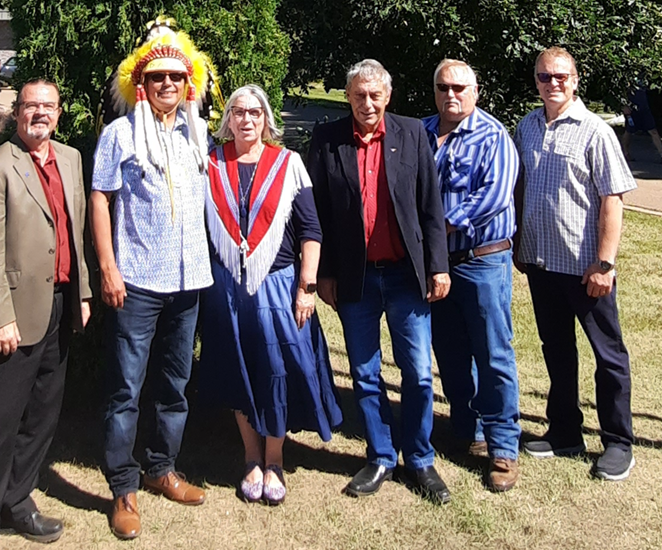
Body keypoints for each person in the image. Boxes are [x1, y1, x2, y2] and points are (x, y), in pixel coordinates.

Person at [0, 79, 92, 550]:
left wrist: (80, 292)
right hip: (14, 314)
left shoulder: (71, 158)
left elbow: (71, 230)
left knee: (42, 415)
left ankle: (18, 499)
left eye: (48, 106)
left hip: (58, 306)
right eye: (31, 106)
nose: (40, 114)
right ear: (17, 113)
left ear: (59, 113)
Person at [90, 27, 215, 540]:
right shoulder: (121, 133)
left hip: (189, 282)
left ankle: (162, 468)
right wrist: (107, 266)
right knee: (126, 388)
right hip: (137, 281)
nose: (167, 83)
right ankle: (123, 487)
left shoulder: (198, 134)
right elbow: (101, 197)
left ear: (189, 85)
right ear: (141, 83)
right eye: (157, 76)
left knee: (175, 384)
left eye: (176, 77)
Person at [307, 59, 452, 504]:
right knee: (366, 373)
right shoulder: (328, 140)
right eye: (358, 95)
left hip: (406, 276)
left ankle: (421, 459)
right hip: (357, 278)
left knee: (418, 374)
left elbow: (430, 206)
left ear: (387, 96)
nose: (366, 104)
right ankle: (380, 455)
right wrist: (324, 272)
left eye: (374, 95)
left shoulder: (412, 134)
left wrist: (438, 265)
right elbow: (317, 215)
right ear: (347, 96)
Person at [198, 85, 342, 505]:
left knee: (278, 369)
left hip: (278, 283)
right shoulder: (210, 165)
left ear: (266, 120)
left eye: (255, 113)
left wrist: (307, 286)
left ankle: (275, 459)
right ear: (227, 119)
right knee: (238, 368)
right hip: (227, 286)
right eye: (238, 112)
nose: (246, 120)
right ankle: (250, 457)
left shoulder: (289, 164)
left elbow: (311, 232)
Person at [514, 47, 637, 481]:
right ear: (536, 81)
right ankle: (565, 430)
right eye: (545, 77)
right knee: (557, 351)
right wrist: (518, 245)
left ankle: (618, 442)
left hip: (586, 268)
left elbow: (612, 200)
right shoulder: (526, 126)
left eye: (561, 76)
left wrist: (605, 263)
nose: (553, 84)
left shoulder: (594, 131)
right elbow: (520, 186)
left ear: (576, 79)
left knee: (608, 355)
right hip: (541, 263)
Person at [422, 59, 521, 492]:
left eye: (460, 87)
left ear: (476, 91)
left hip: (482, 261)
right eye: (444, 87)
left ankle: (503, 447)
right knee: (449, 349)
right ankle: (467, 428)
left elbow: (494, 196)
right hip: (438, 266)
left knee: (493, 353)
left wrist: (431, 225)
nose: (451, 95)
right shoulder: (420, 133)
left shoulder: (494, 136)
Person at [620, 86, 662, 164]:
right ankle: (625, 153)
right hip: (632, 110)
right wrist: (624, 106)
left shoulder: (644, 77)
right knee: (629, 131)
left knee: (653, 130)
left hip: (644, 109)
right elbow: (621, 92)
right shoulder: (628, 78)